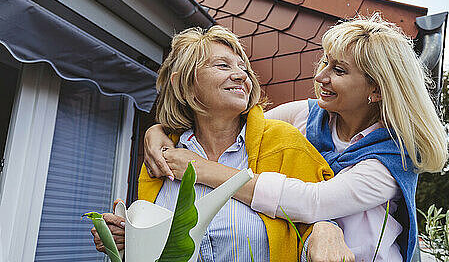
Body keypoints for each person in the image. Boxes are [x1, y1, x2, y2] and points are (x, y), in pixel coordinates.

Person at [145, 14, 449, 262]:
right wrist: (158, 130)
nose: (320, 77)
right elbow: (245, 126)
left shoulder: (389, 160)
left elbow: (313, 202)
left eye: (339, 70)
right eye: (325, 63)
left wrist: (207, 169)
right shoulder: (305, 116)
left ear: (376, 90)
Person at [91, 25, 353, 262]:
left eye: (243, 69)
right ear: (185, 84)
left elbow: (320, 219)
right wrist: (125, 238)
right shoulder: (161, 156)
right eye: (223, 66)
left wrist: (325, 228)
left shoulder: (284, 143)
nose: (241, 76)